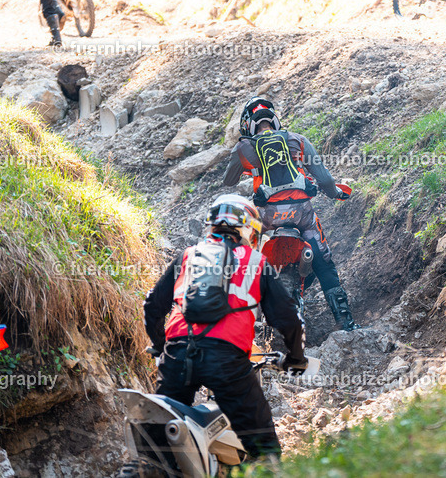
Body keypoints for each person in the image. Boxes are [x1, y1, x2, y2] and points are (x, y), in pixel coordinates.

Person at [143, 195, 308, 459]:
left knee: (155, 448)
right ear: (249, 231)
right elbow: (289, 319)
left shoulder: (187, 256)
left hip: (178, 356)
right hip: (227, 362)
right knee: (264, 447)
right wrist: (295, 359)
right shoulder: (257, 263)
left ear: (212, 226)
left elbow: (152, 306)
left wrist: (161, 346)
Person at [222, 97, 361, 331]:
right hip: (302, 215)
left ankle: (233, 316)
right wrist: (336, 193)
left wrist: (245, 163)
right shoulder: (298, 140)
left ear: (247, 124)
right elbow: (325, 179)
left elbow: (228, 181)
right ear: (275, 120)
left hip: (265, 218)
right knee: (324, 262)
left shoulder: (244, 148)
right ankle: (346, 323)